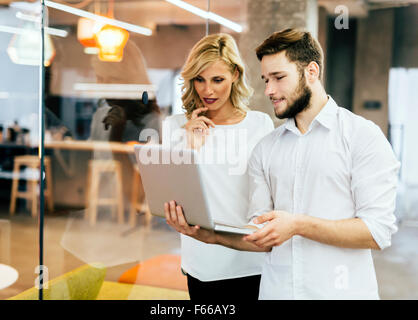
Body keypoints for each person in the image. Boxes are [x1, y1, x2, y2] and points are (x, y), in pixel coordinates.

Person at [165, 28, 400, 299]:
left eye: (278, 77)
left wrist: (298, 225)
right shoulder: (267, 148)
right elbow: (261, 234)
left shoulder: (361, 135)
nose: (269, 90)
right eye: (266, 79)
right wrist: (211, 237)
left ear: (311, 71)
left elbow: (377, 231)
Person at [162, 33, 274, 300]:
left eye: (217, 80)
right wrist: (190, 146)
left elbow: (268, 196)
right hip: (200, 260)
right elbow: (172, 197)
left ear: (235, 74)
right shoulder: (175, 126)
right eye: (199, 79)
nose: (207, 90)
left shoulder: (260, 124)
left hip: (248, 261)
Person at [90, 40, 161, 143]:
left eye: (114, 79)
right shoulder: (100, 116)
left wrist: (116, 134)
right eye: (100, 78)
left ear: (132, 79)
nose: (105, 86)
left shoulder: (150, 121)